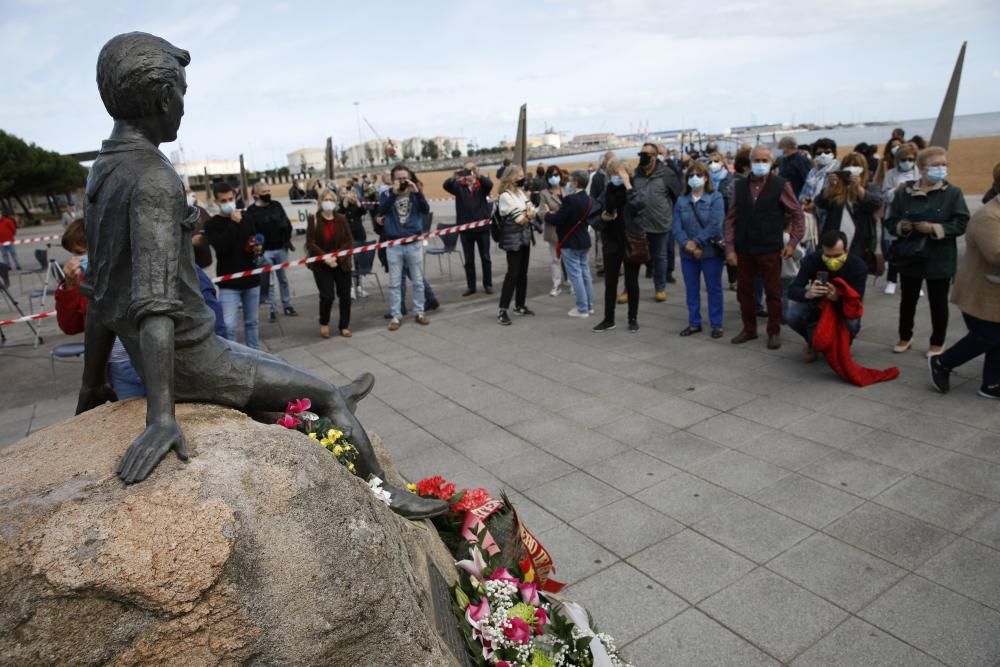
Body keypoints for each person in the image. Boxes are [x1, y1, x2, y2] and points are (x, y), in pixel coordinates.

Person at [78, 32, 445, 518]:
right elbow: (155, 304)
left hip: (183, 350)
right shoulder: (152, 177)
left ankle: (313, 391)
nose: (184, 106)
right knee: (325, 394)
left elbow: (101, 291)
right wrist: (161, 417)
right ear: (164, 96)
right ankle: (380, 484)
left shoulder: (104, 171)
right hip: (193, 358)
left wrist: (90, 384)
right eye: (182, 93)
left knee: (267, 359)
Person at [886, 146, 970, 356]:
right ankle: (905, 336)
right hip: (909, 255)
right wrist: (903, 226)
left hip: (939, 256)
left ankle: (937, 342)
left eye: (944, 165)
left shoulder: (953, 193)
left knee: (938, 302)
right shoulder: (905, 191)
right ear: (922, 168)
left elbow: (961, 223)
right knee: (908, 299)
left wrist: (935, 228)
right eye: (936, 165)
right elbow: (890, 220)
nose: (941, 169)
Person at [929, 161, 1000, 399]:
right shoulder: (989, 216)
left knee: (996, 336)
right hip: (982, 289)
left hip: (992, 290)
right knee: (987, 335)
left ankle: (991, 384)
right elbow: (995, 254)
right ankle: (943, 362)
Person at [724, 145, 806, 349]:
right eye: (756, 160)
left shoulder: (780, 184)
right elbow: (730, 218)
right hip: (744, 248)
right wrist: (730, 248)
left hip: (769, 247)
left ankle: (773, 331)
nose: (760, 164)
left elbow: (797, 214)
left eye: (764, 160)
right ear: (750, 162)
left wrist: (793, 242)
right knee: (744, 292)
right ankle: (749, 329)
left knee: (773, 292)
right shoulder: (740, 186)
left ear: (771, 162)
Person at [787, 230, 869, 359]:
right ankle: (812, 341)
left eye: (837, 256)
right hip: (817, 303)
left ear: (846, 251)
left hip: (843, 306)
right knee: (791, 315)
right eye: (828, 256)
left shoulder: (857, 265)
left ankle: (844, 344)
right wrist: (807, 294)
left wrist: (838, 297)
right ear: (822, 250)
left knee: (852, 322)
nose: (832, 260)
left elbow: (857, 298)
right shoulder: (813, 259)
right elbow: (793, 289)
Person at [204, 182, 262, 349]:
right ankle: (234, 358)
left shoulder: (247, 218)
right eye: (224, 200)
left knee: (252, 322)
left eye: (231, 199)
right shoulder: (212, 224)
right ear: (216, 202)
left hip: (251, 279)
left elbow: (252, 240)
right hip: (229, 283)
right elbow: (221, 248)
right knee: (228, 325)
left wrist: (257, 249)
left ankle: (255, 356)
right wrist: (233, 224)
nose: (229, 203)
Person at [672, 161, 725, 338]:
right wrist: (686, 243)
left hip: (710, 252)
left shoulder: (715, 197)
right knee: (691, 289)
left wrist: (697, 242)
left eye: (699, 175)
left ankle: (716, 324)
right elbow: (676, 226)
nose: (695, 178)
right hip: (688, 253)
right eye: (691, 175)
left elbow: (715, 224)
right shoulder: (681, 200)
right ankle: (694, 322)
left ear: (706, 177)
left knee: (714, 288)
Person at [592, 159, 641, 332]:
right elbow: (594, 218)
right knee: (610, 282)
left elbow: (638, 206)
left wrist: (628, 184)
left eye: (620, 173)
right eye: (613, 173)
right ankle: (608, 318)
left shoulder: (633, 190)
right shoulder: (607, 192)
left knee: (632, 282)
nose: (617, 177)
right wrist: (603, 218)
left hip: (630, 241)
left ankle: (632, 318)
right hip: (611, 241)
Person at [379, 164, 430, 331]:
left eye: (404, 178)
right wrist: (393, 194)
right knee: (394, 283)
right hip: (394, 244)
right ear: (392, 180)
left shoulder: (415, 193)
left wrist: (416, 192)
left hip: (413, 242)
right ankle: (396, 315)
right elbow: (382, 211)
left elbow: (425, 210)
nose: (402, 181)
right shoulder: (386, 194)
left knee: (418, 280)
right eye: (398, 178)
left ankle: (419, 312)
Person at [815, 152, 882, 269]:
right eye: (848, 165)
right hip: (836, 239)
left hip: (860, 241)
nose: (852, 169)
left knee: (856, 275)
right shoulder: (837, 188)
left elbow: (876, 203)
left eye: (856, 165)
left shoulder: (871, 187)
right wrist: (830, 188)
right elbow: (820, 203)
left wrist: (859, 189)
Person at [633, 142, 681, 302]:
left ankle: (660, 288)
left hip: (660, 224)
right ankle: (629, 288)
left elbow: (677, 197)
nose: (642, 158)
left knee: (660, 257)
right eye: (641, 154)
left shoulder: (667, 174)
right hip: (639, 225)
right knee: (634, 257)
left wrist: (672, 217)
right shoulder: (637, 174)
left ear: (654, 156)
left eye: (646, 154)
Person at [244, 181, 297, 322]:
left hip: (280, 248)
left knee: (283, 279)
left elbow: (287, 223)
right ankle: (272, 309)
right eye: (264, 192)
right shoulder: (251, 211)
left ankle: (287, 304)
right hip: (265, 252)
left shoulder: (276, 205)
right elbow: (251, 233)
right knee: (270, 282)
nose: (267, 194)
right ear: (256, 194)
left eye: (269, 191)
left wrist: (286, 239)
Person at [306, 190, 354, 338]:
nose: (328, 202)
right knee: (327, 296)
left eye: (331, 199)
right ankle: (324, 322)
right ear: (320, 202)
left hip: (341, 262)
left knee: (345, 296)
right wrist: (325, 257)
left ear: (335, 202)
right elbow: (310, 243)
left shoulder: (341, 218)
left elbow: (349, 240)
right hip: (322, 264)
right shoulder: (313, 219)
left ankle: (344, 325)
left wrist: (336, 257)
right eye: (325, 199)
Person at [546, 170, 594, 318]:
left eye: (571, 180)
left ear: (575, 182)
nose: (569, 182)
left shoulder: (570, 200)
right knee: (585, 273)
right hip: (583, 240)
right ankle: (589, 305)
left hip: (570, 241)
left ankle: (582, 308)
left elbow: (559, 219)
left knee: (576, 276)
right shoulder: (589, 199)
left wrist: (547, 214)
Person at [443, 161, 493, 296]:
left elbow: (490, 185)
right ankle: (471, 286)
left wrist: (478, 175)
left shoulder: (482, 185)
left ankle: (487, 284)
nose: (469, 172)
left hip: (482, 228)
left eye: (471, 170)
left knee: (485, 257)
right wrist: (454, 176)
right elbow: (446, 186)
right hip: (465, 229)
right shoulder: (458, 186)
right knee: (469, 260)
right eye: (466, 170)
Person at [495, 166, 538, 325]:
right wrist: (528, 214)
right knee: (512, 273)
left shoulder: (520, 193)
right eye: (520, 175)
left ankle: (520, 305)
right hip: (512, 240)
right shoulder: (505, 196)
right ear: (511, 177)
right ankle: (502, 310)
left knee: (523, 273)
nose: (523, 178)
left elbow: (533, 210)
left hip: (524, 238)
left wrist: (527, 213)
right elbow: (521, 219)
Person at [880, 142, 920, 295]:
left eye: (910, 159)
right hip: (896, 215)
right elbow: (885, 195)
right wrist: (897, 189)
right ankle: (892, 280)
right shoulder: (891, 174)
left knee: (914, 249)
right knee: (895, 249)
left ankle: (914, 280)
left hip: (914, 215)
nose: (907, 162)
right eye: (903, 160)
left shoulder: (920, 173)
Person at [539, 165, 567, 296]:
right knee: (555, 259)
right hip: (553, 232)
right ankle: (556, 284)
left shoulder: (565, 190)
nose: (554, 178)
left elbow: (571, 210)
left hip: (567, 230)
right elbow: (542, 213)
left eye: (556, 175)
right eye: (551, 176)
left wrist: (553, 212)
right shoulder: (544, 194)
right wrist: (556, 214)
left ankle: (571, 281)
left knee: (569, 257)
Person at [799, 138, 839, 214]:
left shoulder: (838, 171)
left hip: (829, 216)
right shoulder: (812, 172)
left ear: (834, 154)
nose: (823, 155)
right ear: (814, 155)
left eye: (827, 152)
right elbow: (803, 193)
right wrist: (804, 200)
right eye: (819, 153)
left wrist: (815, 205)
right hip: (813, 215)